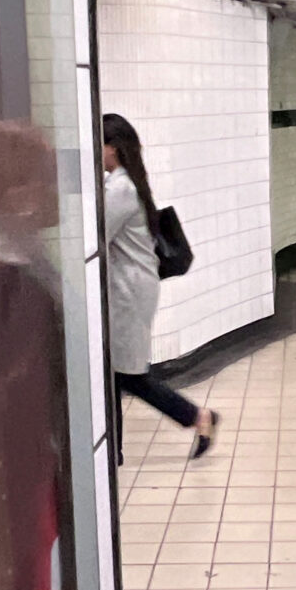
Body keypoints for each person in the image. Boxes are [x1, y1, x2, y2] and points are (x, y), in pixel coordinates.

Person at [101, 113, 218, 461]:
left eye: (99, 143)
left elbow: (94, 239)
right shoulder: (123, 184)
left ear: (113, 148)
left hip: (127, 292)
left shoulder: (119, 189)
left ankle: (197, 417)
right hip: (130, 288)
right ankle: (115, 450)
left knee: (127, 374)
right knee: (118, 373)